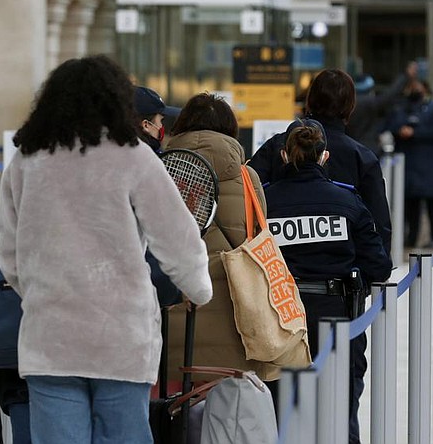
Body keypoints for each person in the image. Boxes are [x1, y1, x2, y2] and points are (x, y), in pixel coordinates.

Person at [0, 55, 213, 444]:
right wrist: (198, 288)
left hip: (51, 335)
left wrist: (40, 293)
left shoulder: (27, 159)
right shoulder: (133, 156)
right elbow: (178, 239)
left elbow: (10, 254)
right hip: (121, 336)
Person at [263, 120, 392, 444]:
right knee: (339, 408)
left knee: (282, 410)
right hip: (336, 317)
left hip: (280, 317)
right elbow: (380, 267)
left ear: (283, 155)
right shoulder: (347, 201)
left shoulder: (265, 204)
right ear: (324, 157)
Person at [163, 93, 282, 388]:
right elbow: (257, 236)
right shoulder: (247, 178)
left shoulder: (159, 171)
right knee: (226, 417)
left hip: (174, 309)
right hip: (235, 315)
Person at [249, 68, 392, 255]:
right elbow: (378, 224)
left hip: (280, 272)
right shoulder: (361, 157)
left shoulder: (276, 146)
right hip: (342, 270)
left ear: (310, 100)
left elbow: (249, 198)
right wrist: (377, 270)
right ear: (350, 106)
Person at [133, 85, 184, 307]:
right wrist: (189, 287)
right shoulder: (151, 169)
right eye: (160, 121)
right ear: (146, 125)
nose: (162, 128)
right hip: (138, 293)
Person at [383, 78, 433, 248]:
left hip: (430, 166)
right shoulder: (401, 108)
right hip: (409, 167)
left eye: (417, 87)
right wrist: (401, 130)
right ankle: (410, 239)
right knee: (411, 207)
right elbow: (390, 125)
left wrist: (415, 132)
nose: (414, 90)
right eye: (410, 87)